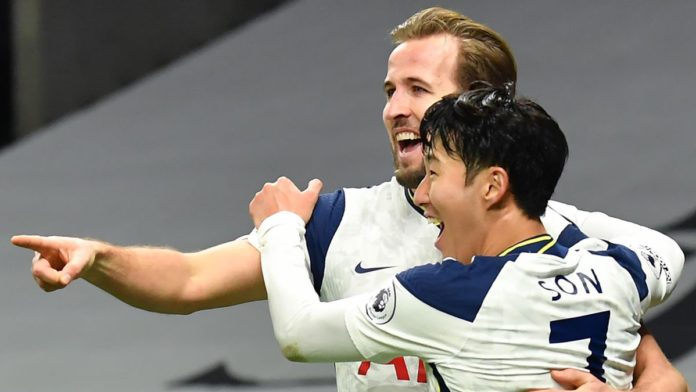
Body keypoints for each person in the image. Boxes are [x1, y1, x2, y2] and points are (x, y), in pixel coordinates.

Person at [10, 7, 687, 392]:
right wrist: (97, 258)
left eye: (418, 90)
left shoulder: (563, 246)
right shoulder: (338, 224)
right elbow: (187, 281)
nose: (395, 110)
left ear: (482, 109)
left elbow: (655, 373)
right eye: (389, 92)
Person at [248, 86, 684, 390]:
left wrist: (281, 225)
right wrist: (535, 202)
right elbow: (665, 252)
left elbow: (298, 333)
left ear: (492, 187)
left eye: (434, 173)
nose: (422, 194)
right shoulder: (616, 271)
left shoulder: (451, 296)